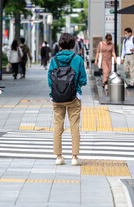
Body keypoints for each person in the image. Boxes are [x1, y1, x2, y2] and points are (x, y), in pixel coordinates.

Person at [48, 33, 87, 166]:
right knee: (74, 126)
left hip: (57, 98)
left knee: (58, 125)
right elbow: (83, 80)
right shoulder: (78, 59)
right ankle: (74, 157)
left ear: (59, 45)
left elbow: (50, 80)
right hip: (74, 97)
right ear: (72, 45)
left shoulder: (54, 60)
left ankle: (59, 157)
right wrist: (75, 87)